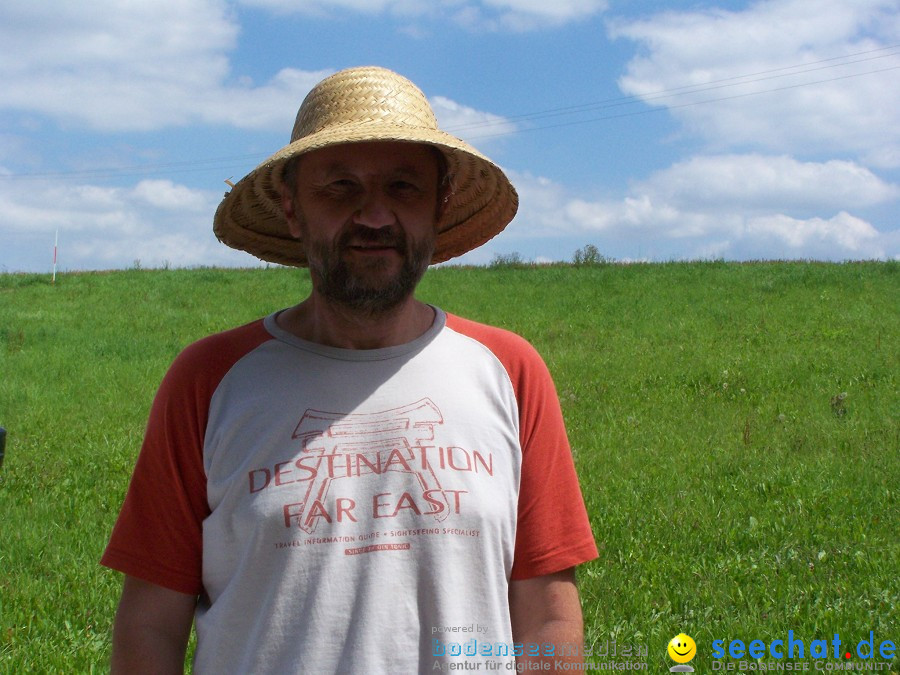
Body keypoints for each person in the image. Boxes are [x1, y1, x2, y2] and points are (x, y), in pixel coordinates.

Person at [102, 66, 598, 674]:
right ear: (292, 208)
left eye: (403, 187)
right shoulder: (208, 380)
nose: (374, 216)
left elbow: (547, 614)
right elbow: (150, 626)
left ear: (439, 207)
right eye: (339, 188)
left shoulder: (509, 371)